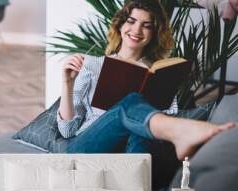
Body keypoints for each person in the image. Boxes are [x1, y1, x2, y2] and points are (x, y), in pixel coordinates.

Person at [57, 0, 235, 161]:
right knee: (130, 103)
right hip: (87, 147)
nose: (136, 30)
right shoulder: (91, 65)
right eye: (131, 21)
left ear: (154, 34)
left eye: (146, 25)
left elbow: (163, 122)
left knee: (143, 130)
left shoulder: (158, 73)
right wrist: (67, 83)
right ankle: (183, 131)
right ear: (120, 25)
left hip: (130, 150)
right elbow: (67, 131)